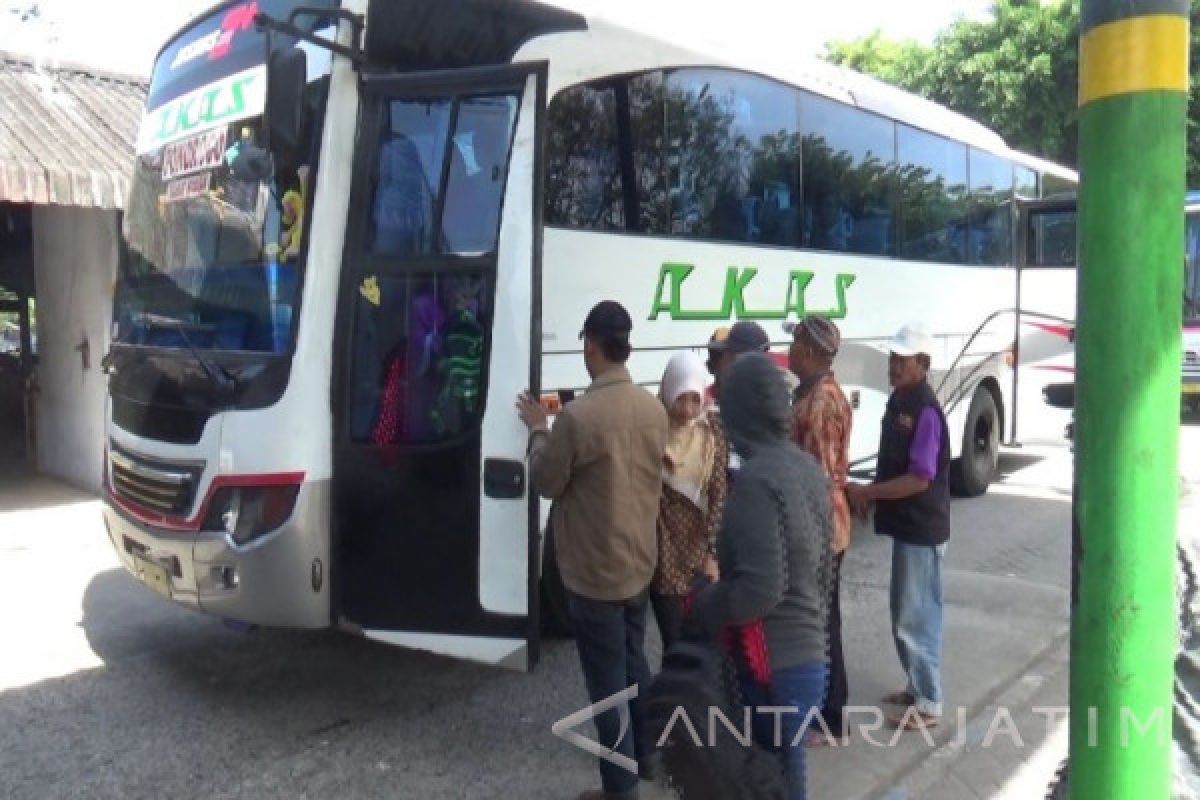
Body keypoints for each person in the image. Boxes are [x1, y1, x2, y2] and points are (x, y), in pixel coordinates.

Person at [516, 301, 668, 800]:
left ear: (592, 346)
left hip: (594, 575)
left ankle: (619, 789)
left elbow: (545, 481)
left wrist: (540, 430)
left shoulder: (578, 418)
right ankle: (646, 757)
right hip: (638, 565)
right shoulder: (652, 409)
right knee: (633, 663)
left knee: (608, 687)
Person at [690, 353, 834, 800]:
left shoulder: (756, 482)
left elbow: (759, 590)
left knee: (769, 783)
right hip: (809, 659)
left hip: (772, 666)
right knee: (787, 779)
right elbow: (824, 571)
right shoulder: (807, 468)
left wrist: (705, 598)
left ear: (742, 413)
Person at [846, 322, 951, 731]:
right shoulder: (900, 401)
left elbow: (919, 477)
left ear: (922, 364)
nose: (893, 365)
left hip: (921, 528)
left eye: (901, 360)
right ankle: (916, 686)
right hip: (908, 525)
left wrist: (869, 493)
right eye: (892, 358)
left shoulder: (924, 410)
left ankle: (928, 701)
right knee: (905, 610)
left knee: (917, 614)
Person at [785, 316, 854, 746]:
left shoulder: (820, 403)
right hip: (825, 526)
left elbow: (823, 476)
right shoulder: (817, 395)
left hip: (821, 530)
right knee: (821, 621)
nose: (789, 350)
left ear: (810, 351)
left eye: (794, 342)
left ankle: (829, 718)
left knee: (821, 625)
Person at [650, 351, 729, 652]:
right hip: (662, 552)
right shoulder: (652, 430)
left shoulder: (711, 435)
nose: (687, 409)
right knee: (673, 642)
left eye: (695, 399)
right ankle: (673, 698)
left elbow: (719, 494)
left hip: (699, 554)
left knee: (702, 642)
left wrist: (712, 553)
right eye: (680, 398)